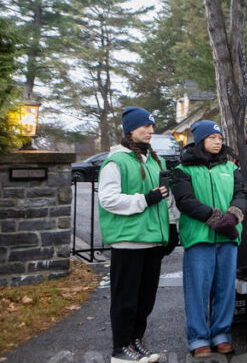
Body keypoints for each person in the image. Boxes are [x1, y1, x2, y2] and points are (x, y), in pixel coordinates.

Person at [98, 107, 179, 363]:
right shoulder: (116, 162)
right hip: (128, 240)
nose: (150, 130)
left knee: (145, 299)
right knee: (126, 299)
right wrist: (144, 199)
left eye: (152, 126)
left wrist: (172, 227)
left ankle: (135, 341)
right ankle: (120, 348)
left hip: (153, 239)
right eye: (145, 126)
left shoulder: (156, 161)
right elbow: (108, 199)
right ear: (130, 129)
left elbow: (167, 199)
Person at [170, 121, 247, 357]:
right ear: (200, 140)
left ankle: (221, 334)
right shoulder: (183, 170)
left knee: (225, 288)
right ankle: (199, 338)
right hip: (199, 237)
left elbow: (241, 194)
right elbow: (185, 201)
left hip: (227, 238)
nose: (218, 141)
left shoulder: (230, 168)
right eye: (213, 137)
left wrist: (233, 216)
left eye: (220, 138)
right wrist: (214, 219)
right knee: (198, 289)